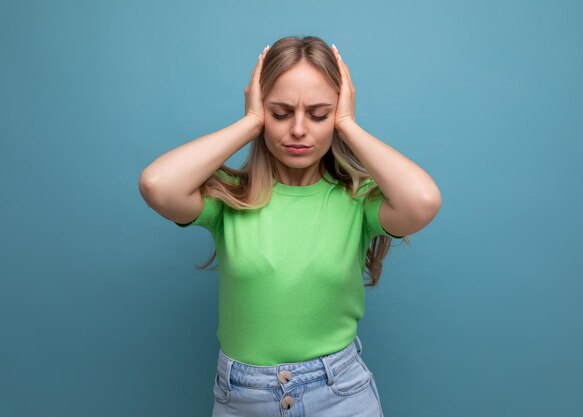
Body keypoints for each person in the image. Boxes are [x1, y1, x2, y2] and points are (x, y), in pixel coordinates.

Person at [139, 35, 441, 417]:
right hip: (242, 399)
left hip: (339, 395)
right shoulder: (231, 197)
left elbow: (424, 201)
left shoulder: (357, 199)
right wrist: (250, 122)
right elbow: (156, 184)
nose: (299, 130)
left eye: (319, 114)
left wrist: (347, 124)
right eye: (280, 113)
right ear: (261, 108)